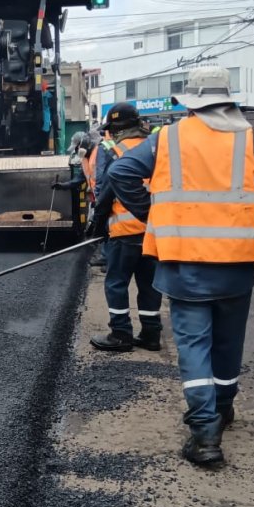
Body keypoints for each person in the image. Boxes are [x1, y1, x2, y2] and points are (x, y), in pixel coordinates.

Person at [108, 67, 254, 467]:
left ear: (190, 103)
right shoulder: (252, 141)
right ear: (228, 101)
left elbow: (121, 171)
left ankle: (205, 433)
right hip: (236, 266)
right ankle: (223, 409)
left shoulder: (167, 139)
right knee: (228, 343)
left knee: (193, 346)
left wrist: (151, 215)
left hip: (184, 263)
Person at [89, 102, 162, 353]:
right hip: (154, 230)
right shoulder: (156, 147)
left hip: (124, 232)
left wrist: (97, 224)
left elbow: (106, 191)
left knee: (117, 283)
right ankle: (151, 334)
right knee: (149, 283)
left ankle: (121, 333)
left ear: (114, 129)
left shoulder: (114, 151)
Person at [53, 131, 105, 267]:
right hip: (98, 197)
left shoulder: (100, 153)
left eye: (77, 148)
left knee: (106, 227)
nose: (76, 151)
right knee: (102, 227)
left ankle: (107, 257)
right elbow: (79, 179)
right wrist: (62, 186)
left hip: (105, 196)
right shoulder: (85, 159)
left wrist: (100, 200)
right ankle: (106, 256)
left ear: (85, 144)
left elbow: (103, 178)